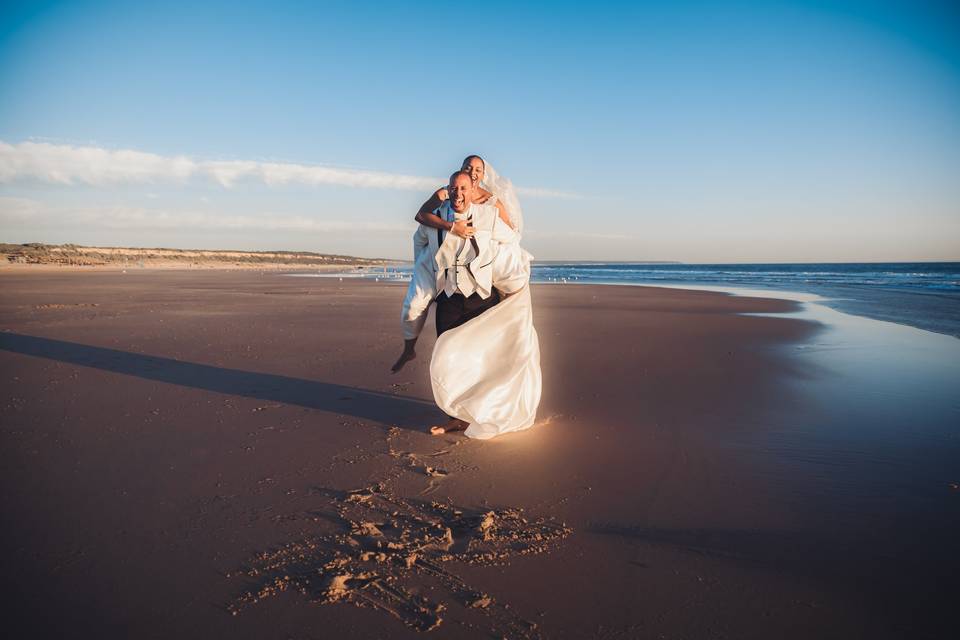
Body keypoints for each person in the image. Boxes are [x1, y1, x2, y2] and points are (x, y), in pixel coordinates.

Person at [391, 156, 531, 373]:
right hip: (449, 294)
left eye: (477, 170)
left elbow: (511, 235)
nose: (459, 192)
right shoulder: (437, 210)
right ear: (449, 186)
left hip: (481, 294)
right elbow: (420, 226)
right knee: (444, 354)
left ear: (482, 176)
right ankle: (411, 351)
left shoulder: (490, 208)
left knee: (484, 358)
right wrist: (427, 260)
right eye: (468, 168)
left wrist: (495, 257)